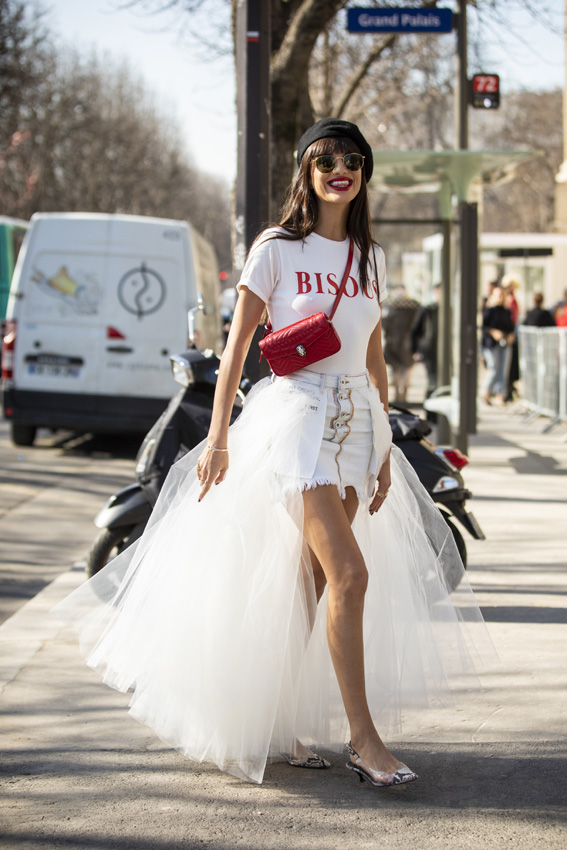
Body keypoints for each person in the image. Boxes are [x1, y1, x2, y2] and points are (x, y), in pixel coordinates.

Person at [55, 119, 492, 786]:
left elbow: (371, 357)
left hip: (354, 426)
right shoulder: (277, 250)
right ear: (305, 172)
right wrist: (220, 437)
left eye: (352, 158)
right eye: (324, 159)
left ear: (364, 172)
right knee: (350, 575)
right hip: (295, 421)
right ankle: (364, 740)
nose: (339, 168)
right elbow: (237, 346)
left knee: (312, 582)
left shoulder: (369, 258)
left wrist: (380, 447)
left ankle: (284, 725)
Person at [382, 286, 420, 403]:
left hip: (394, 342)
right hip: (408, 342)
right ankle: (404, 395)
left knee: (396, 369)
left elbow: (385, 324)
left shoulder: (392, 307)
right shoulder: (414, 307)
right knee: (406, 369)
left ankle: (399, 395)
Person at [481, 286, 515, 405]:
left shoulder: (507, 311)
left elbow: (511, 326)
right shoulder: (489, 311)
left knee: (503, 370)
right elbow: (483, 327)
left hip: (504, 344)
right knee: (493, 367)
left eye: (502, 295)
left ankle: (501, 394)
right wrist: (493, 332)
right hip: (491, 344)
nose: (500, 298)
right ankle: (486, 392)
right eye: (498, 295)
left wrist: (511, 335)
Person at [411, 284, 440, 398]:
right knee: (432, 379)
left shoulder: (449, 310)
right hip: (429, 350)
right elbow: (415, 330)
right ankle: (430, 409)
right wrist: (415, 350)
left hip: (443, 352)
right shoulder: (428, 310)